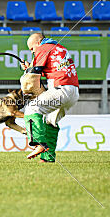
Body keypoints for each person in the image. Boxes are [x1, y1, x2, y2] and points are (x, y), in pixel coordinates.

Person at [21, 33, 79, 163]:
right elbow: (50, 67)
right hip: (73, 91)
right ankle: (47, 158)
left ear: (38, 42)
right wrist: (30, 66)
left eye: (32, 49)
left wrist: (26, 69)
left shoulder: (43, 48)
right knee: (50, 121)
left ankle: (38, 143)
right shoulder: (60, 48)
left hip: (60, 89)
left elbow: (34, 73)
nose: (32, 52)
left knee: (32, 108)